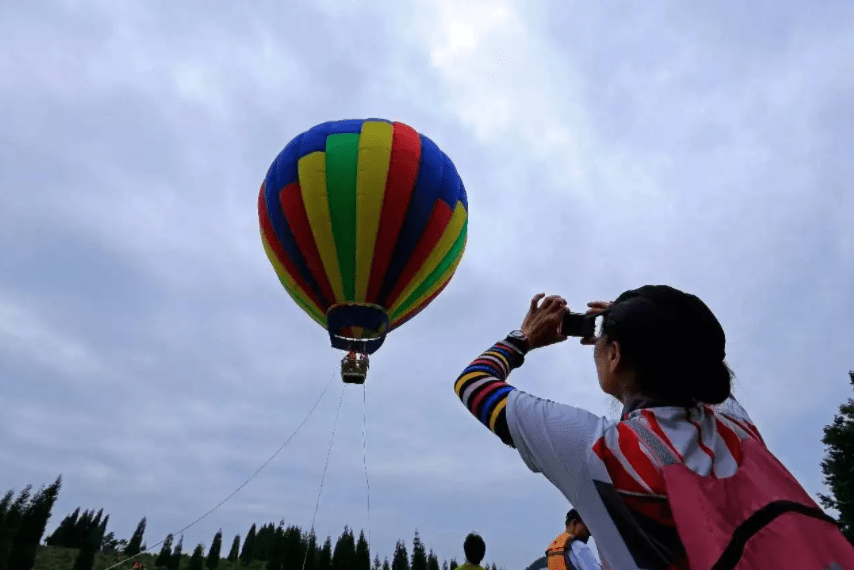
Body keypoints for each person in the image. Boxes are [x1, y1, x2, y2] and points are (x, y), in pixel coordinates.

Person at [454, 285, 854, 570]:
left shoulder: (597, 452)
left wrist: (523, 338)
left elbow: (473, 383)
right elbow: (694, 358)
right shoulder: (738, 427)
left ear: (615, 355)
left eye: (603, 343)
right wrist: (635, 320)